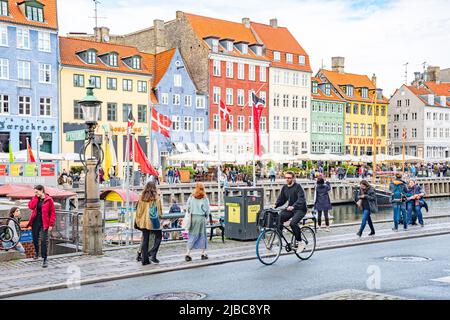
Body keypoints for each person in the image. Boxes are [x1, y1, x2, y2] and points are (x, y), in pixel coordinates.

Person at [274, 171, 307, 251]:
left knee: (293, 223)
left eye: (289, 178)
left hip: (300, 209)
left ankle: (300, 242)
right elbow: (282, 199)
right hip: (290, 209)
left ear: (293, 178)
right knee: (279, 217)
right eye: (286, 178)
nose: (287, 179)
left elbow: (301, 199)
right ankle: (279, 238)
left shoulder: (298, 187)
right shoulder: (285, 188)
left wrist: (293, 206)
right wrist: (276, 205)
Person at [27, 185, 56, 268]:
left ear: (42, 190)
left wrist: (51, 224)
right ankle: (36, 252)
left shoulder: (49, 200)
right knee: (35, 239)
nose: (36, 193)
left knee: (44, 240)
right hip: (35, 222)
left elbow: (52, 213)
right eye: (35, 192)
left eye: (37, 192)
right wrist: (36, 198)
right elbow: (30, 206)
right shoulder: (36, 198)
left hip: (44, 223)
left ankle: (45, 259)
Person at [135, 182, 163, 265]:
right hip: (152, 221)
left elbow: (138, 211)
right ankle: (152, 253)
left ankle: (145, 260)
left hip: (143, 221)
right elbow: (159, 211)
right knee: (159, 236)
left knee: (145, 240)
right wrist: (161, 218)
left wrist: (139, 220)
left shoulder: (141, 197)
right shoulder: (156, 197)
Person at [185, 182, 210, 261]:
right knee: (202, 235)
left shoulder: (191, 197)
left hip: (193, 218)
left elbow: (188, 208)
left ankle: (188, 253)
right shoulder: (204, 198)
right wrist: (206, 216)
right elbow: (207, 210)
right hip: (201, 218)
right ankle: (203, 253)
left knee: (192, 235)